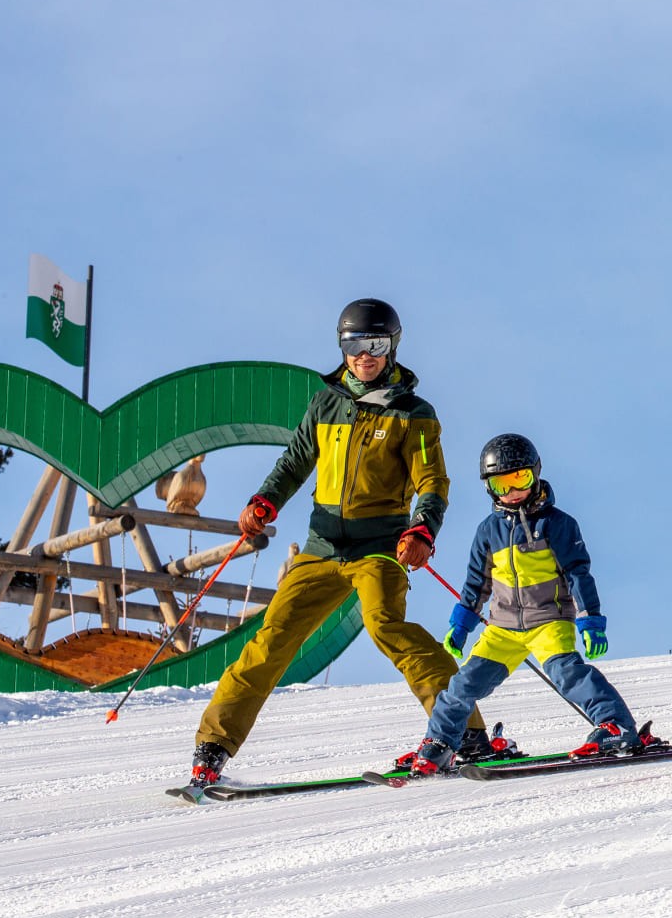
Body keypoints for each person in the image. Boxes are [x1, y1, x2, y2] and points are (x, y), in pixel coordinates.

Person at [182, 298, 489, 799]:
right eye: (354, 344)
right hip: (322, 548)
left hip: (379, 548)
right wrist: (264, 500)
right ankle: (212, 748)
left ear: (392, 347)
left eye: (375, 344)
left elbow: (432, 481)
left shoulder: (413, 414)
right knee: (271, 640)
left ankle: (468, 735)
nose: (364, 355)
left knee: (387, 628)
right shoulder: (326, 403)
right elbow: (295, 461)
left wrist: (422, 530)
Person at [405, 433, 649, 776]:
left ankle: (615, 725)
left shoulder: (558, 524)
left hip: (548, 621)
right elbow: (477, 583)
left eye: (520, 478)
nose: (512, 491)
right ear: (489, 488)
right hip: (502, 629)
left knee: (568, 674)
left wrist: (590, 621)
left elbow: (578, 574)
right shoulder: (488, 531)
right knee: (461, 687)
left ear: (535, 474)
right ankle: (441, 743)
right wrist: (461, 625)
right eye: (501, 484)